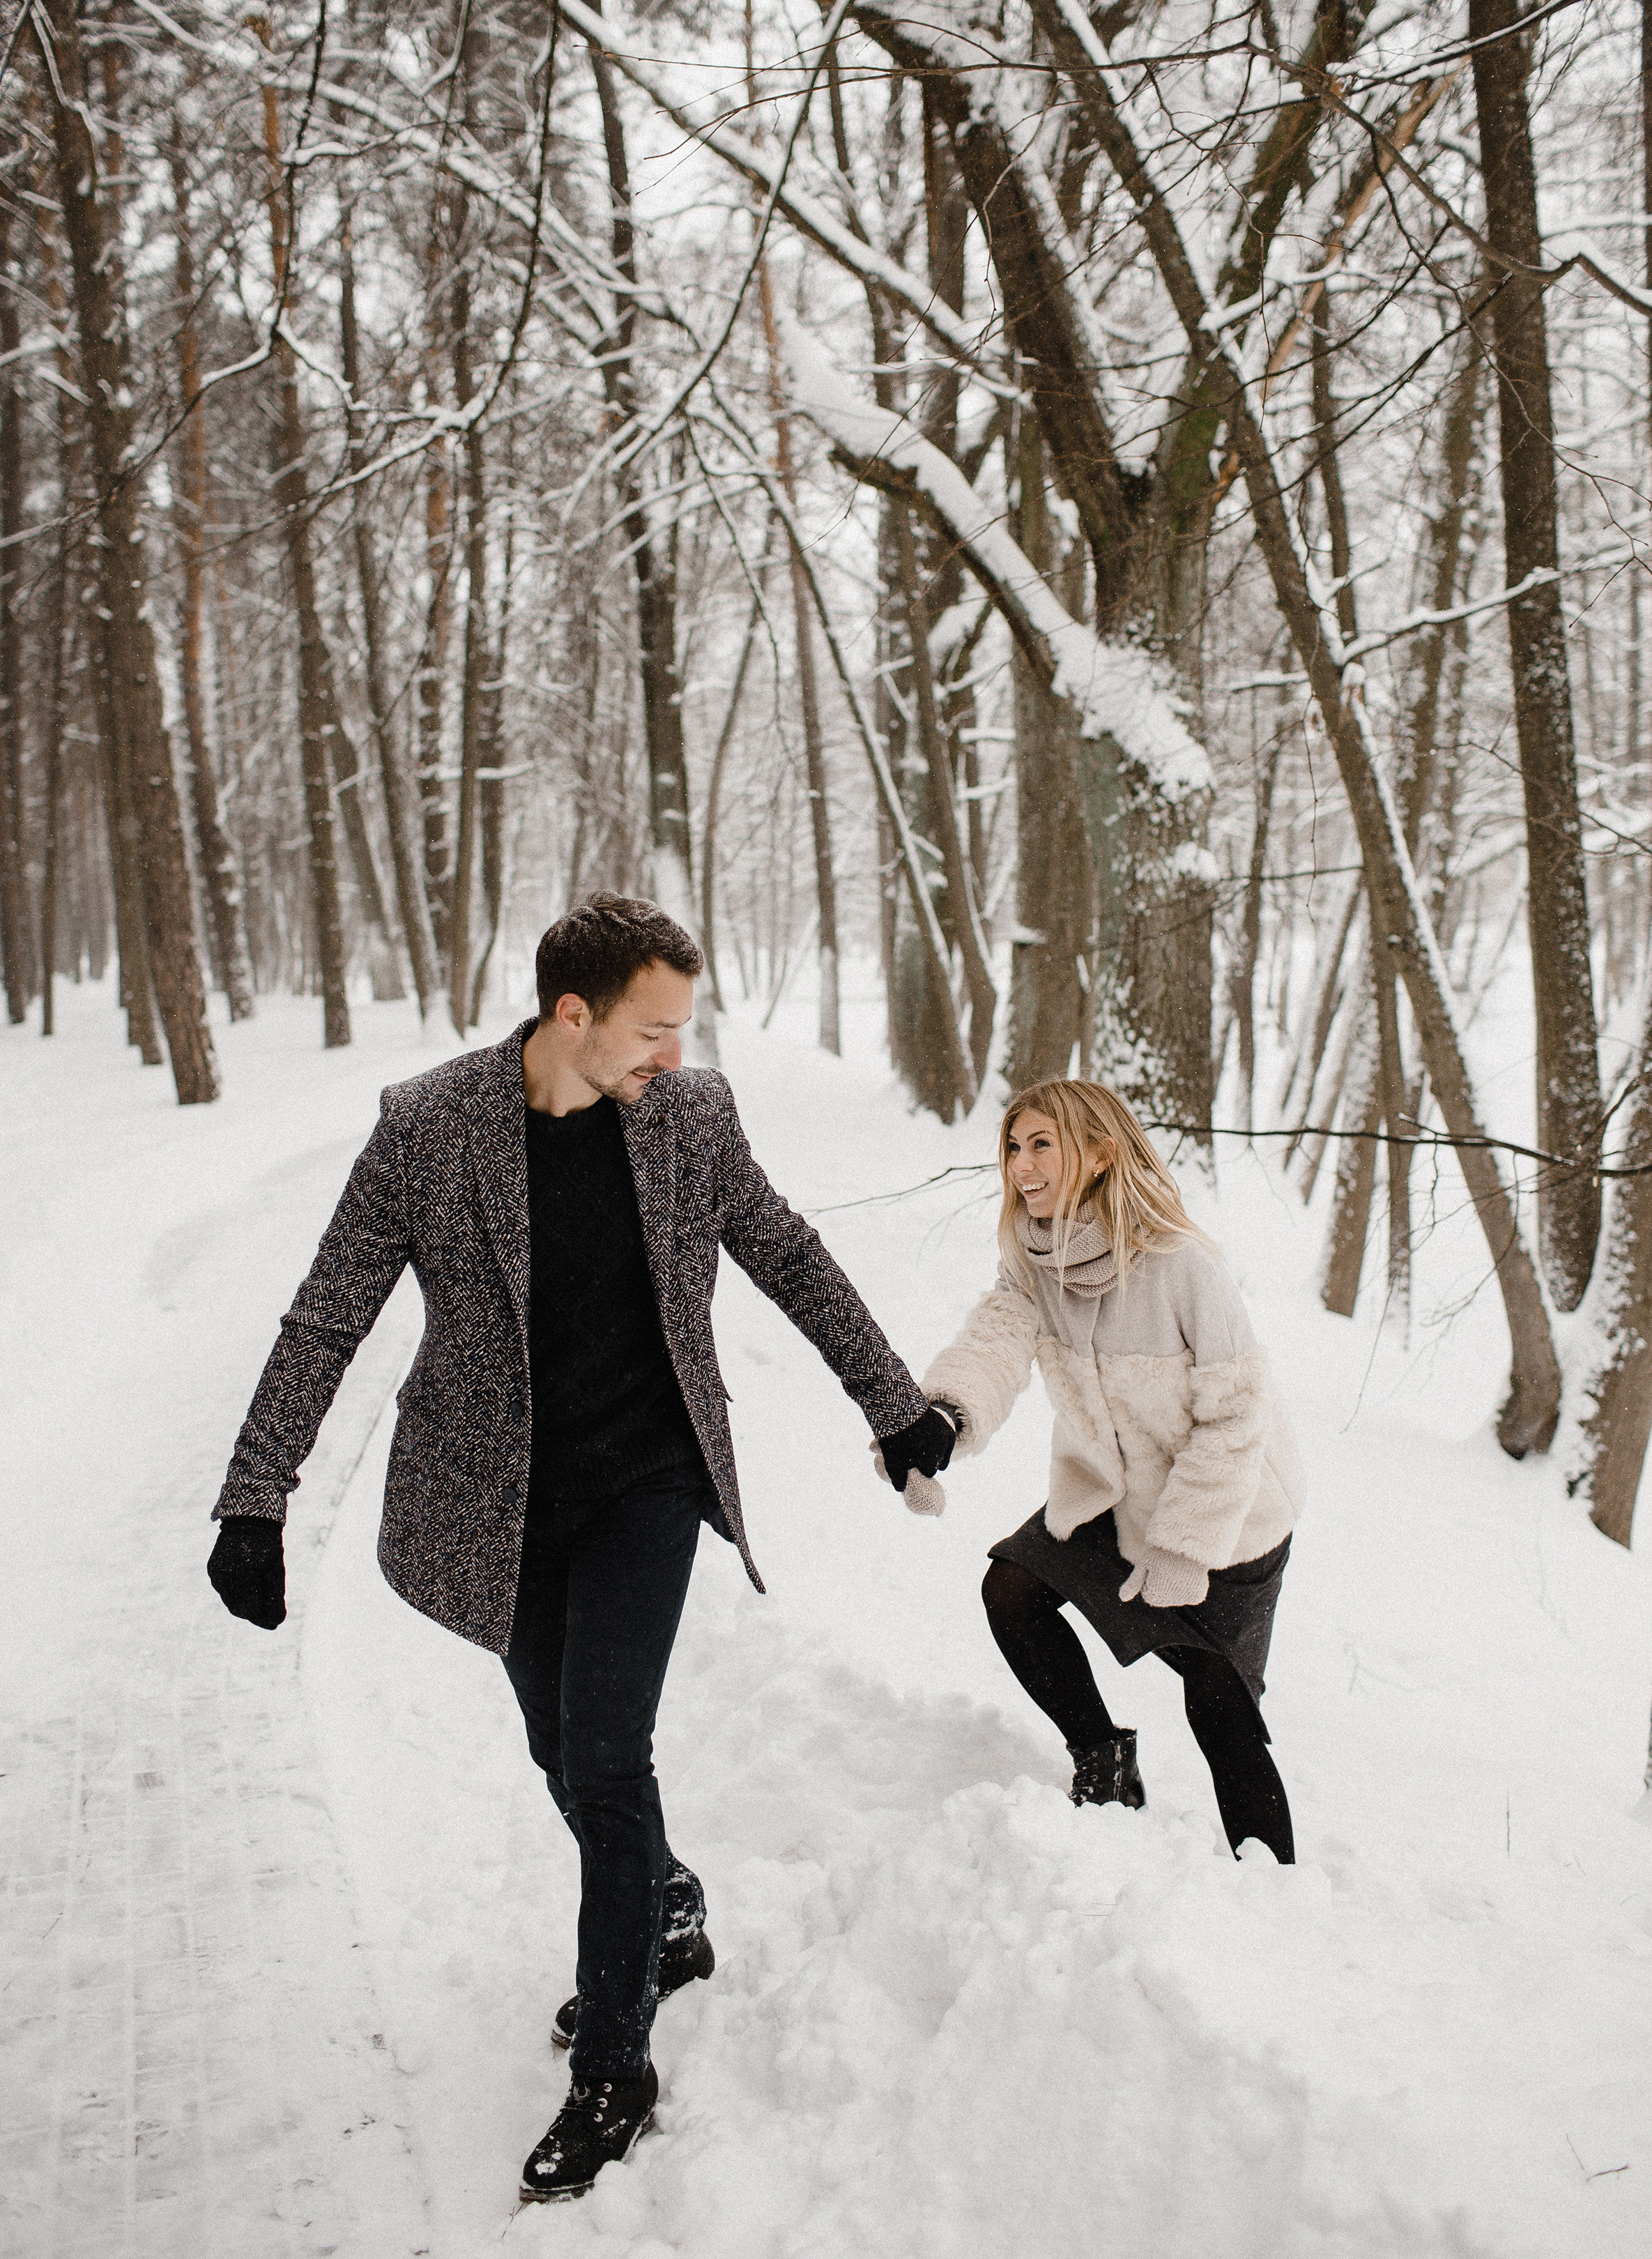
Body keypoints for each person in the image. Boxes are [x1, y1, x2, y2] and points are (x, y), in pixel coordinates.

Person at [206, 892, 956, 2204]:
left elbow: (785, 1251)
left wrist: (891, 1403)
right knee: (563, 1750)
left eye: (685, 1029)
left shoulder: (693, 1118)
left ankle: (616, 2067)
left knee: (608, 1753)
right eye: (654, 1029)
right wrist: (255, 1496)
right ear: (572, 1015)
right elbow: (328, 1316)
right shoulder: (427, 1129)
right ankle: (664, 1902)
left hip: (648, 1480)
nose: (676, 1054)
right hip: (499, 1495)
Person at [921, 1079, 1305, 1862]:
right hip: (1118, 1497)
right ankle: (1101, 1760)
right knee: (1014, 1590)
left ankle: (1275, 1895)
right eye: (1013, 1148)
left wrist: (1184, 1547)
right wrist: (945, 1416)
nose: (1022, 1167)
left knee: (1220, 1707)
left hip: (1228, 1519)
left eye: (1042, 1146)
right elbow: (995, 1341)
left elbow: (1236, 1416)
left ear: (1097, 1156)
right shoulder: (1032, 1259)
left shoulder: (1182, 1264)